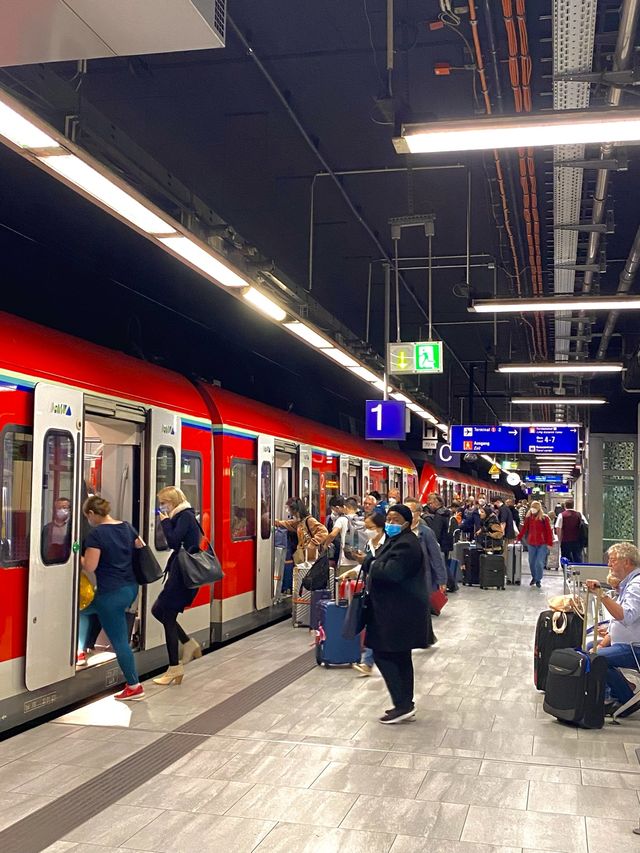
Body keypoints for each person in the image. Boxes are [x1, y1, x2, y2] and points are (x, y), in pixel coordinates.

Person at [361, 504, 429, 724]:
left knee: (384, 654)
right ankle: (404, 704)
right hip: (396, 610)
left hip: (396, 613)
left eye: (396, 519)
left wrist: (369, 562)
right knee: (399, 656)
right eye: (389, 518)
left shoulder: (407, 545)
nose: (391, 523)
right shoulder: (398, 541)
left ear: (407, 523)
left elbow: (391, 572)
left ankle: (402, 704)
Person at [77, 495, 145, 701]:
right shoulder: (126, 527)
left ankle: (134, 686)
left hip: (111, 593)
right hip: (130, 588)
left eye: (86, 516)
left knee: (119, 641)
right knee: (83, 610)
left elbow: (90, 566)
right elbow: (140, 547)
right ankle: (80, 650)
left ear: (91, 514)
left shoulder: (96, 535)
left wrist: (75, 554)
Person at [151, 486, 203, 686]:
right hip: (180, 574)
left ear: (172, 502)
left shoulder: (185, 516)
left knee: (166, 614)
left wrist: (164, 523)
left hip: (182, 577)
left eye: (164, 503)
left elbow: (173, 541)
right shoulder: (183, 516)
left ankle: (174, 667)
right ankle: (188, 644)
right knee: (159, 611)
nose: (162, 507)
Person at [585, 543, 640, 717]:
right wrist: (607, 637)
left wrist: (602, 595)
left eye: (613, 560)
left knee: (596, 658)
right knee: (591, 647)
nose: (609, 564)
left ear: (627, 562)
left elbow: (625, 616)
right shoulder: (628, 584)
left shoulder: (636, 586)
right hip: (625, 643)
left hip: (634, 648)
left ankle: (626, 698)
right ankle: (615, 690)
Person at [338, 511, 386, 677]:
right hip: (371, 590)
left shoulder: (388, 544)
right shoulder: (369, 545)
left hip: (385, 591)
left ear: (380, 527)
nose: (366, 531)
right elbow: (366, 565)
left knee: (378, 626)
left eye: (370, 527)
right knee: (375, 626)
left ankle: (369, 661)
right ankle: (369, 661)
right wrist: (352, 572)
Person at [405, 497, 448, 599]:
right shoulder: (397, 530)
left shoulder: (426, 532)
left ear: (419, 513)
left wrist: (442, 580)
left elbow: (436, 557)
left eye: (410, 511)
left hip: (421, 578)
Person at [275, 498, 328, 562]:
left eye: (289, 509)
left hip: (311, 556)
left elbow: (323, 531)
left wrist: (313, 543)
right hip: (304, 555)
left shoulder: (309, 520)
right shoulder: (300, 522)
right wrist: (276, 522)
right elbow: (288, 524)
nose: (288, 512)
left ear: (294, 509)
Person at [516, 500, 553, 588]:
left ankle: (538, 579)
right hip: (531, 543)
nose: (533, 509)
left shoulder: (544, 518)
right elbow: (524, 529)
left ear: (539, 508)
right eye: (532, 507)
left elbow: (548, 531)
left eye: (535, 508)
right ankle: (534, 577)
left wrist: (549, 543)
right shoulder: (528, 518)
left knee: (539, 562)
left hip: (542, 544)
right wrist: (518, 538)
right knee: (531, 562)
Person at [41, 497, 72, 564]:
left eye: (64, 507)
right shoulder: (47, 528)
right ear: (54, 510)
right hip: (49, 562)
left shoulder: (72, 527)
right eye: (59, 508)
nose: (62, 510)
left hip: (66, 563)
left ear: (69, 510)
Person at [555, 499, 587, 564]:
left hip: (565, 540)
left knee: (565, 558)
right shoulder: (579, 515)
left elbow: (558, 528)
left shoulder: (562, 515)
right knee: (577, 558)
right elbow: (585, 525)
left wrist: (560, 539)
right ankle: (577, 572)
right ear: (573, 506)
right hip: (578, 541)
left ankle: (567, 572)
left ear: (565, 506)